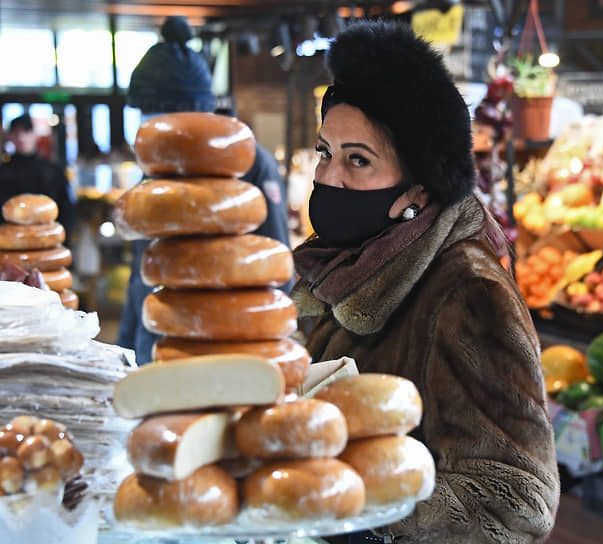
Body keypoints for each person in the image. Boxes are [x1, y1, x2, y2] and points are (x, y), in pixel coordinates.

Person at [293, 20, 559, 544]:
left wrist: (367, 511)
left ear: (415, 190)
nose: (329, 177)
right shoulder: (340, 268)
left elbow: (519, 499)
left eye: (358, 160)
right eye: (326, 152)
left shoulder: (466, 293)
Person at [117, 15, 292, 365]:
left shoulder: (249, 162)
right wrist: (124, 348)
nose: (148, 126)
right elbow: (143, 269)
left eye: (155, 114)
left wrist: (250, 341)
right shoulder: (157, 170)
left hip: (219, 350)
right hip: (154, 342)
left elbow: (276, 263)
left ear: (189, 111)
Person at [0, 114, 77, 239]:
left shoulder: (53, 170)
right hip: (11, 243)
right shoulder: (3, 172)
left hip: (49, 241)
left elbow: (67, 209)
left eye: (26, 131)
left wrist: (61, 237)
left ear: (34, 135)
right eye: (16, 133)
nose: (21, 138)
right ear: (10, 137)